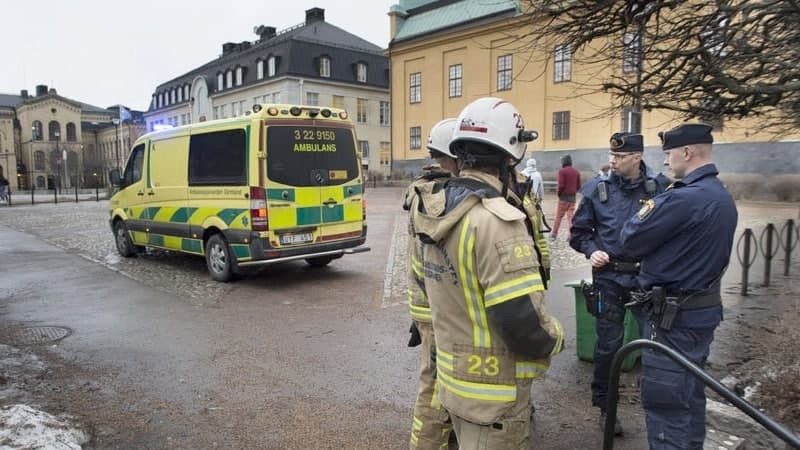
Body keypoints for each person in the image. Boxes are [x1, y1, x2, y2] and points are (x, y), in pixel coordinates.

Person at [409, 97, 564, 449]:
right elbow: (520, 321)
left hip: (455, 384)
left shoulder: (435, 212)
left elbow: (425, 284)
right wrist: (555, 338)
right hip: (494, 399)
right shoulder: (496, 221)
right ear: (510, 156)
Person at [620, 123, 737, 449]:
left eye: (669, 154)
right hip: (700, 314)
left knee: (665, 407)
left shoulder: (683, 198)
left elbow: (630, 237)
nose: (666, 161)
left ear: (687, 152)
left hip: (671, 321)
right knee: (690, 397)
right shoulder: (721, 195)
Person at [568, 132, 670, 435]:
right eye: (611, 155)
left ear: (637, 157)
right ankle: (605, 408)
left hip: (646, 280)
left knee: (654, 345)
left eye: (619, 157)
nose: (612, 161)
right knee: (608, 346)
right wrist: (591, 250)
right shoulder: (596, 189)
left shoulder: (660, 188)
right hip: (609, 278)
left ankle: (658, 410)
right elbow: (578, 233)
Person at [404, 118, 458, 450]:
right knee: (435, 382)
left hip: (427, 302)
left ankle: (442, 434)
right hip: (435, 305)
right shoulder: (438, 193)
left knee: (436, 379)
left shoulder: (425, 188)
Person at [551, 154, 580, 241]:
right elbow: (578, 186)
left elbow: (561, 185)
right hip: (573, 197)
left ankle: (554, 234)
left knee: (558, 216)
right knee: (570, 217)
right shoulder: (576, 172)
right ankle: (571, 235)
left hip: (563, 197)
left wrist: (559, 194)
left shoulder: (562, 171)